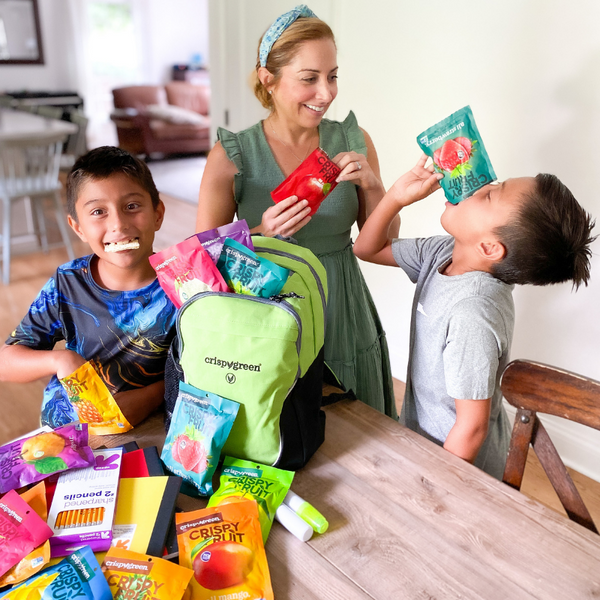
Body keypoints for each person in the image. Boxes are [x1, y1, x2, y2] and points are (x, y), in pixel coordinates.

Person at [196, 5, 397, 417]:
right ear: (268, 78)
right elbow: (199, 260)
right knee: (285, 432)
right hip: (269, 313)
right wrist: (259, 233)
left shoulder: (353, 140)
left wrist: (375, 187)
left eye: (332, 76)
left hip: (342, 306)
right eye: (309, 78)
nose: (327, 93)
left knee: (360, 433)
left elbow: (384, 240)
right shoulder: (232, 155)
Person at [353, 155, 595, 478]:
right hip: (421, 440)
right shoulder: (443, 252)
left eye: (491, 194)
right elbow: (366, 249)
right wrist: (397, 196)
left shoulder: (474, 314)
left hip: (454, 466)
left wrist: (430, 486)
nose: (479, 186)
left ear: (490, 248)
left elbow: (471, 429)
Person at [0, 146, 177, 428]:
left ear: (157, 214)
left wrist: (155, 393)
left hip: (149, 431)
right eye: (98, 212)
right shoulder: (68, 282)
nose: (118, 225)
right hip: (65, 432)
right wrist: (61, 360)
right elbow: (6, 362)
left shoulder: (182, 284)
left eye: (132, 206)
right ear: (78, 227)